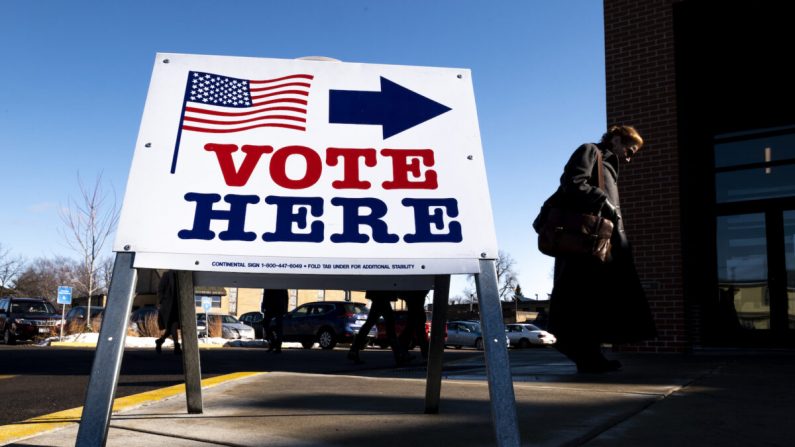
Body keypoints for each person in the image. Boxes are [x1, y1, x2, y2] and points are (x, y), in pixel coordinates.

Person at [543, 125, 656, 373]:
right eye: (629, 150)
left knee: (594, 303)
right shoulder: (590, 151)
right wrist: (603, 200)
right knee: (580, 301)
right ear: (616, 139)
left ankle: (591, 356)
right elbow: (572, 182)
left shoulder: (609, 167)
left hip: (602, 245)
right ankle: (583, 353)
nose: (629, 157)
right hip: (584, 244)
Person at [348, 290, 412, 365]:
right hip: (383, 297)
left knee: (369, 324)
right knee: (390, 328)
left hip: (378, 297)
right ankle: (399, 355)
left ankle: (354, 350)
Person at [397, 290, 430, 360]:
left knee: (414, 328)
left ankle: (426, 354)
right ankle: (427, 354)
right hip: (416, 302)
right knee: (418, 330)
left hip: (414, 301)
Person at [155, 270, 181, 355]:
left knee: (171, 327)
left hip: (178, 305)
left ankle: (160, 341)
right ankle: (176, 346)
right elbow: (160, 289)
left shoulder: (182, 275)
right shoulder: (167, 275)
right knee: (173, 325)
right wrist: (162, 301)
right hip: (168, 306)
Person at [262, 289, 288, 353]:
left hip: (277, 308)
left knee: (278, 327)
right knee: (266, 325)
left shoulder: (282, 287)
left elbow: (286, 297)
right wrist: (263, 306)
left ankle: (276, 346)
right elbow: (265, 296)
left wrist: (285, 309)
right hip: (272, 308)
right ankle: (273, 344)